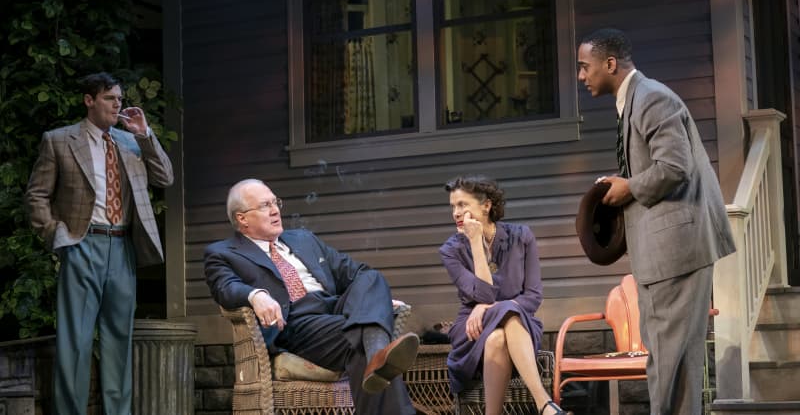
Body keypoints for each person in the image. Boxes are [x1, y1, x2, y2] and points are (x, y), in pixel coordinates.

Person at [577, 28, 735, 415]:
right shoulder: (635, 100)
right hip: (667, 250)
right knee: (674, 361)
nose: (581, 77)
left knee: (668, 359)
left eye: (585, 67)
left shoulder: (652, 99)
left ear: (610, 64)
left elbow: (674, 167)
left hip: (676, 250)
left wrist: (628, 187)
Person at [25, 72, 174, 414]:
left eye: (119, 98)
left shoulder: (130, 141)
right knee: (75, 341)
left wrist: (146, 135)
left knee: (118, 341)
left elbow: (165, 176)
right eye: (109, 98)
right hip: (82, 244)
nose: (117, 104)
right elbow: (37, 195)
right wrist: (56, 235)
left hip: (121, 247)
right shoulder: (59, 140)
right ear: (89, 101)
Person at [204, 178, 419, 415]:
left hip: (337, 311)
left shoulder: (303, 239)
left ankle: (376, 348)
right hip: (296, 322)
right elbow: (225, 288)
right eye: (265, 205)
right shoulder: (222, 253)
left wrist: (372, 301)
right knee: (357, 340)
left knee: (372, 278)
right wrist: (256, 295)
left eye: (276, 202)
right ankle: (377, 350)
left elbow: (356, 273)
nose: (275, 210)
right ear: (242, 218)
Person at [440, 175, 568, 415]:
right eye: (453, 207)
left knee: (498, 337)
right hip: (471, 328)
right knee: (504, 313)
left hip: (520, 326)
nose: (456, 213)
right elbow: (485, 294)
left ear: (486, 205)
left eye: (463, 205)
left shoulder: (522, 237)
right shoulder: (451, 250)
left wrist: (489, 307)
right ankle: (545, 404)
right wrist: (475, 242)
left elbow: (532, 296)